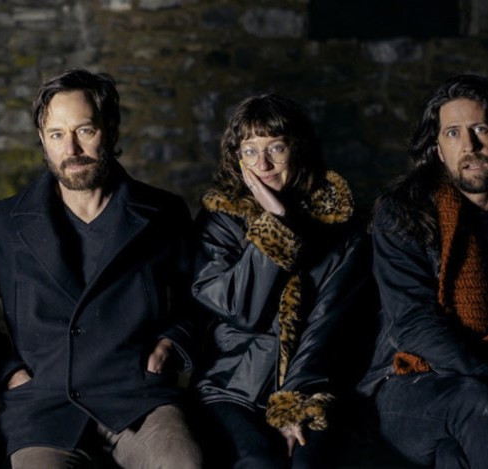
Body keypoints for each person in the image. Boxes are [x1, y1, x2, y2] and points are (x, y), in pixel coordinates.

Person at [0, 68, 203, 469]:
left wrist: (171, 343)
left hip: (138, 399)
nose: (71, 148)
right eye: (56, 135)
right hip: (44, 406)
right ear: (42, 140)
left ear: (110, 128)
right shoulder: (4, 222)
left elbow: (198, 302)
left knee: (183, 464)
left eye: (84, 130)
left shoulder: (163, 213)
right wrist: (9, 374)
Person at [191, 94, 369, 468]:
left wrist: (295, 403)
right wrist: (275, 222)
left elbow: (326, 325)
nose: (264, 164)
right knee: (260, 461)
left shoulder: (340, 230)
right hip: (229, 388)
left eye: (276, 148)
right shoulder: (221, 220)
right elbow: (240, 309)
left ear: (297, 148)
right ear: (237, 158)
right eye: (251, 151)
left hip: (312, 385)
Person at [358, 74, 488, 468]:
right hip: (409, 380)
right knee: (476, 402)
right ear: (438, 149)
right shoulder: (405, 212)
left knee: (453, 456)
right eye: (453, 133)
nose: (470, 145)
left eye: (481, 129)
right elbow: (414, 322)